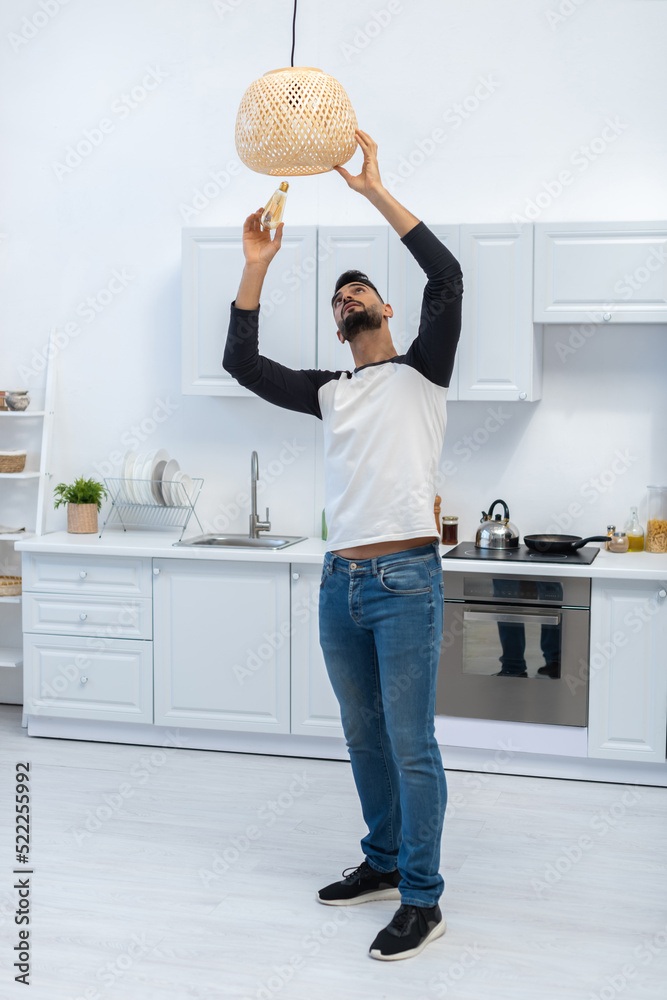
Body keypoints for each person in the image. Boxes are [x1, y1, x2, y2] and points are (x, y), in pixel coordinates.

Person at [223, 130, 463, 961]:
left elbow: (447, 275)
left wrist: (371, 191)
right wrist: (256, 262)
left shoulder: (423, 371)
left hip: (405, 581)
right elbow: (243, 363)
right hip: (339, 584)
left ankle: (423, 900)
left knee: (410, 743)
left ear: (384, 310)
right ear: (335, 326)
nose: (347, 298)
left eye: (359, 290)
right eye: (336, 297)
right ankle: (385, 861)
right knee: (363, 739)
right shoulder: (329, 392)